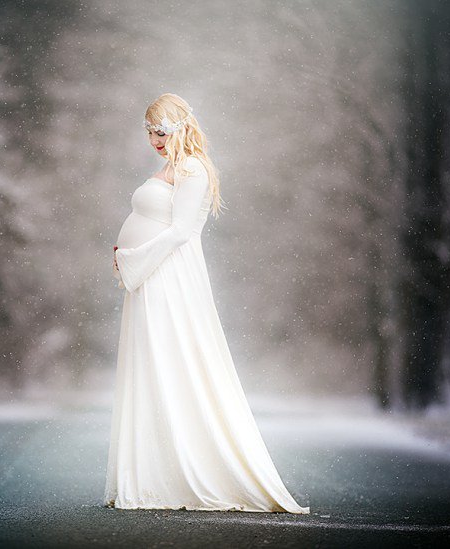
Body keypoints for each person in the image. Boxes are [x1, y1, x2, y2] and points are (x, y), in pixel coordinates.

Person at [104, 93, 311, 514]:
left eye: (161, 131)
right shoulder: (169, 169)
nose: (154, 139)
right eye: (148, 132)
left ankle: (188, 469)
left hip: (167, 277)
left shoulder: (194, 168)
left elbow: (181, 232)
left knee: (172, 362)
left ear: (180, 127)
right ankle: (151, 471)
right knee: (151, 365)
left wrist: (132, 259)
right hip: (150, 277)